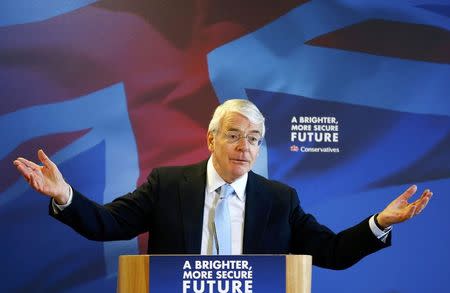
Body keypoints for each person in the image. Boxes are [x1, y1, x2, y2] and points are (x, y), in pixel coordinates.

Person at [13, 99, 432, 270]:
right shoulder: (168, 184)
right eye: (233, 134)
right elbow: (107, 224)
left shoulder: (279, 199)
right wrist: (64, 195)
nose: (244, 147)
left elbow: (332, 253)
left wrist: (380, 221)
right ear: (210, 138)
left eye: (254, 139)